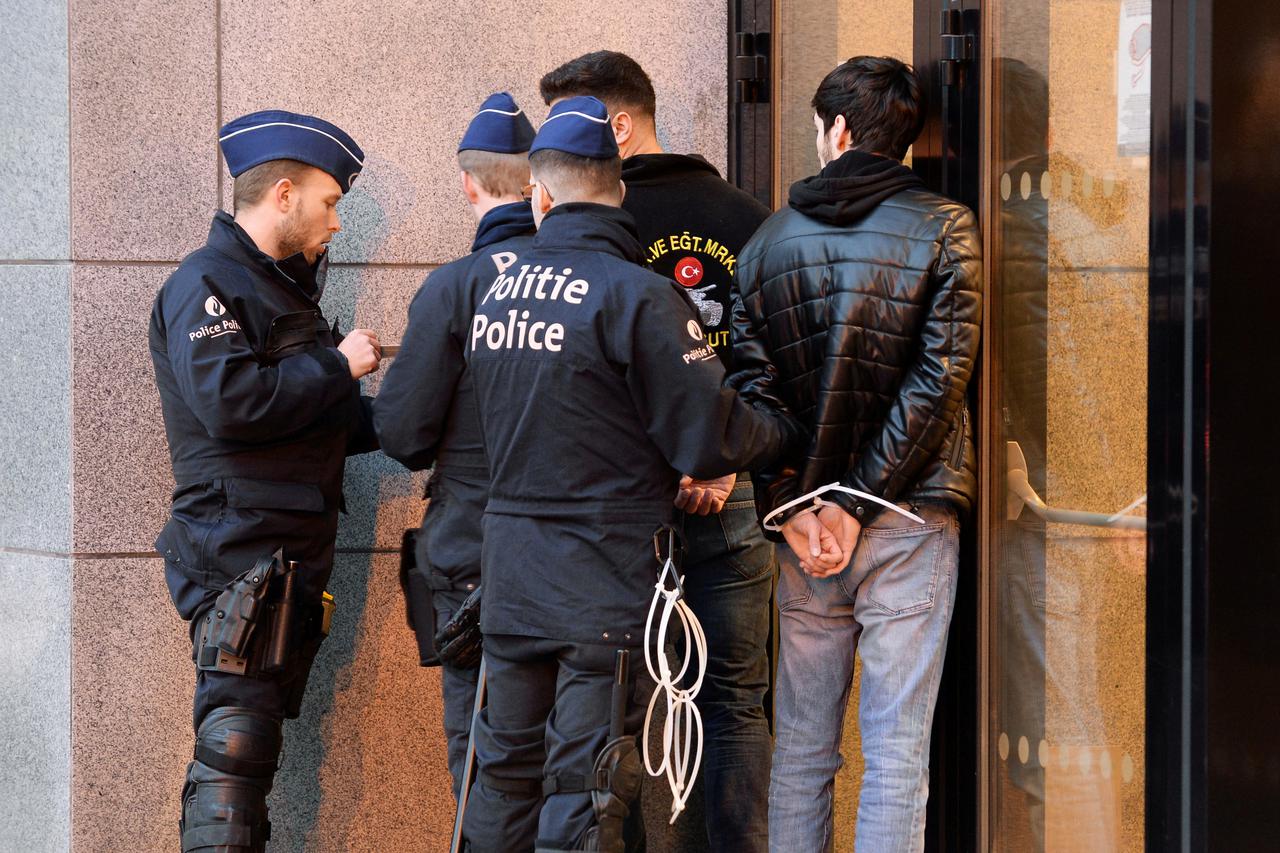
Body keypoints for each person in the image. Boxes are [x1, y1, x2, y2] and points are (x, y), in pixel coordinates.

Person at [729, 57, 982, 852]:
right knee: (897, 748)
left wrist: (793, 504)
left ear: (836, 131)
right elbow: (940, 383)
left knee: (803, 744)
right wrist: (859, 499)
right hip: (908, 515)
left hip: (808, 533)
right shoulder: (947, 226)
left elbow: (750, 396)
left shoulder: (766, 241)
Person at [538, 53, 776, 851]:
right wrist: (720, 455)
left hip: (628, 499)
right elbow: (773, 355)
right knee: (736, 699)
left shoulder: (594, 227)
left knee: (629, 698)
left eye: (570, 127)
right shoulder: (749, 217)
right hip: (728, 485)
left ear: (618, 125)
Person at [148, 110, 381, 853]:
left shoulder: (285, 294)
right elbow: (232, 401)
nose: (336, 223)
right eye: (331, 202)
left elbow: (322, 422)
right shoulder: (206, 282)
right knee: (231, 768)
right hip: (238, 562)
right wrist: (338, 364)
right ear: (284, 193)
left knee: (248, 775)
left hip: (283, 565)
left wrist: (428, 413)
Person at [374, 91, 537, 800]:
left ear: (466, 184)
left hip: (471, 557)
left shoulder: (452, 290)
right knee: (581, 767)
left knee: (481, 764)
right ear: (538, 180)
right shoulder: (595, 282)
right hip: (580, 562)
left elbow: (403, 435)